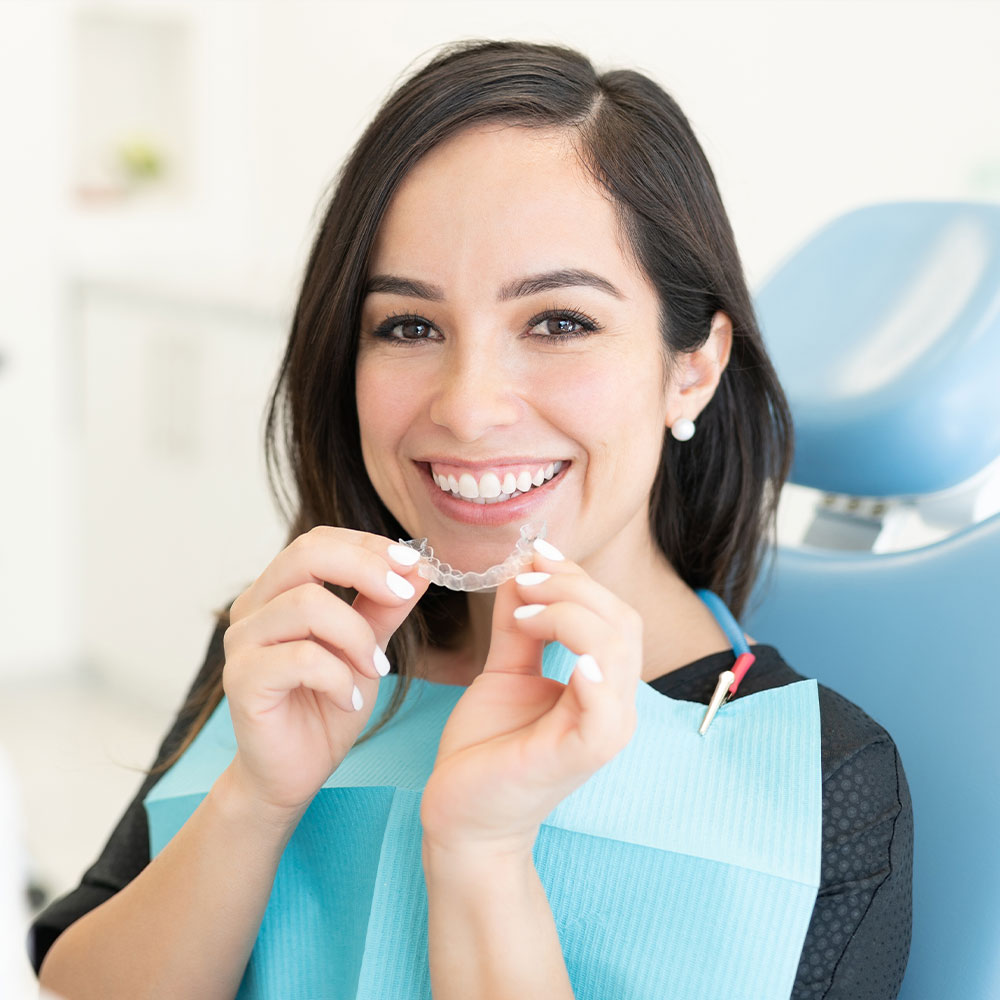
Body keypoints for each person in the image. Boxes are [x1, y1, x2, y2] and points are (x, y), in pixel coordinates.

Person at [31, 39, 912, 999]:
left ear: (690, 365)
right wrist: (256, 796)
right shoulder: (302, 644)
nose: (468, 405)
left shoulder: (822, 781)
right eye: (409, 326)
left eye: (559, 322)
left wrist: (480, 854)